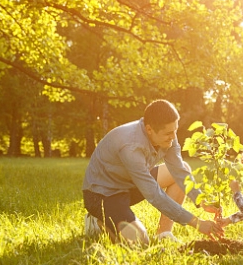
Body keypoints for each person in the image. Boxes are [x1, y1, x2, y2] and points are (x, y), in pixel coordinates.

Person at [82, 99, 222, 245]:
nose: (173, 137)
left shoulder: (168, 138)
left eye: (175, 130)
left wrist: (202, 201)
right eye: (168, 133)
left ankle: (164, 233)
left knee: (184, 168)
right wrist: (197, 223)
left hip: (129, 185)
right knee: (140, 241)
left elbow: (179, 171)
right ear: (149, 129)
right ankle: (97, 221)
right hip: (102, 195)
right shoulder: (131, 146)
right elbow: (154, 195)